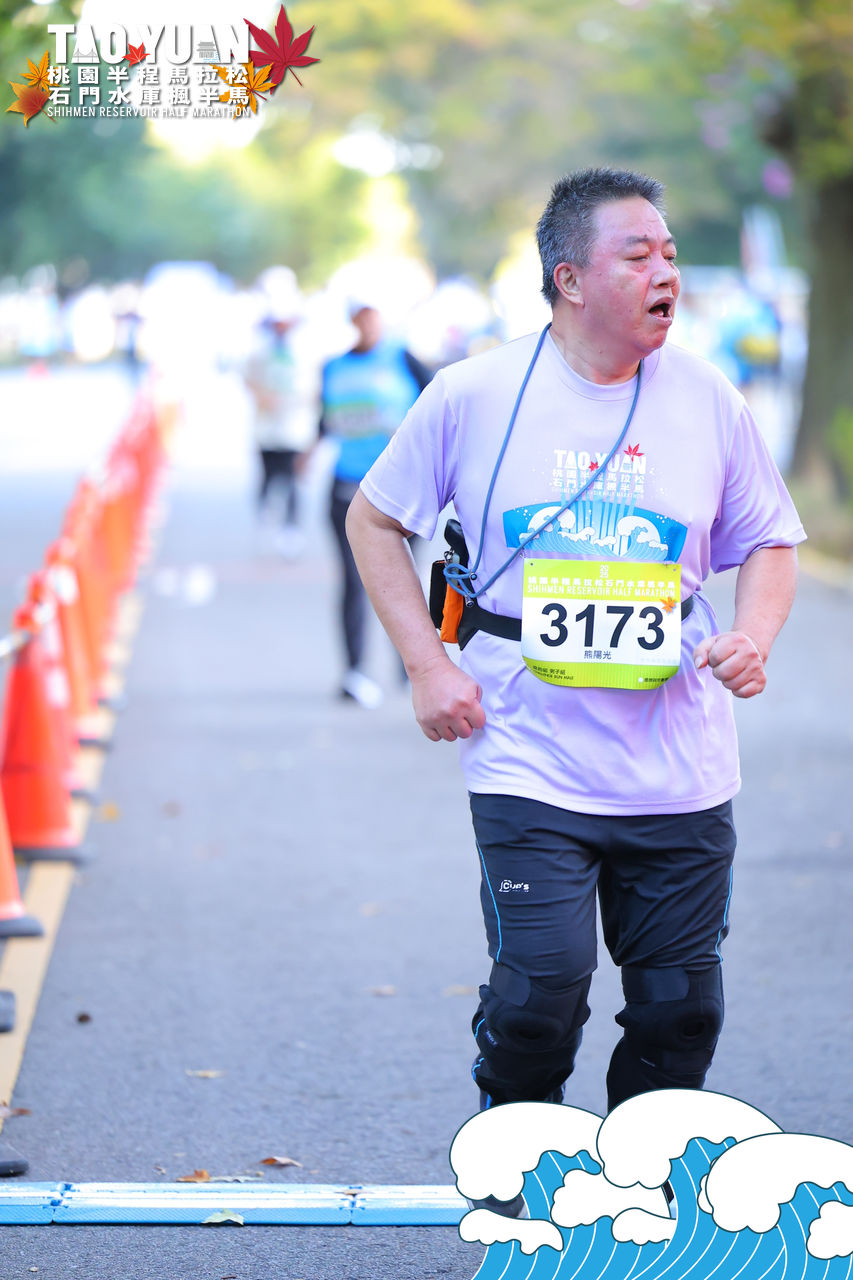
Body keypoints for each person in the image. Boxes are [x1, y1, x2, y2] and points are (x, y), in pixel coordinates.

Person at [346, 168, 805, 1194]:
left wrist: (752, 635)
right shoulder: (472, 394)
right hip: (526, 749)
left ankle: (644, 1190)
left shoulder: (707, 398)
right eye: (637, 255)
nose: (666, 272)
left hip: (678, 762)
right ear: (568, 278)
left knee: (680, 1010)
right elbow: (374, 519)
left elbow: (769, 539)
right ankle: (519, 1171)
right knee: (538, 996)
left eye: (670, 254)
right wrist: (427, 663)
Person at [320, 297, 431, 708]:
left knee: (405, 579)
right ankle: (354, 672)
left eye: (373, 314)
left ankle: (412, 665)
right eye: (360, 316)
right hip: (348, 486)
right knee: (353, 581)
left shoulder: (402, 358)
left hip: (401, 489)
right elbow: (325, 419)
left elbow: (437, 409)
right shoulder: (333, 367)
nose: (367, 322)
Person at [245, 268, 316, 556]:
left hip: (295, 427)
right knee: (268, 475)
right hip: (266, 427)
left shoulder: (306, 343)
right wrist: (262, 395)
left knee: (292, 478)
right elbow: (247, 376)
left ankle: (291, 527)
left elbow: (314, 385)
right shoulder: (259, 342)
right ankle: (266, 518)